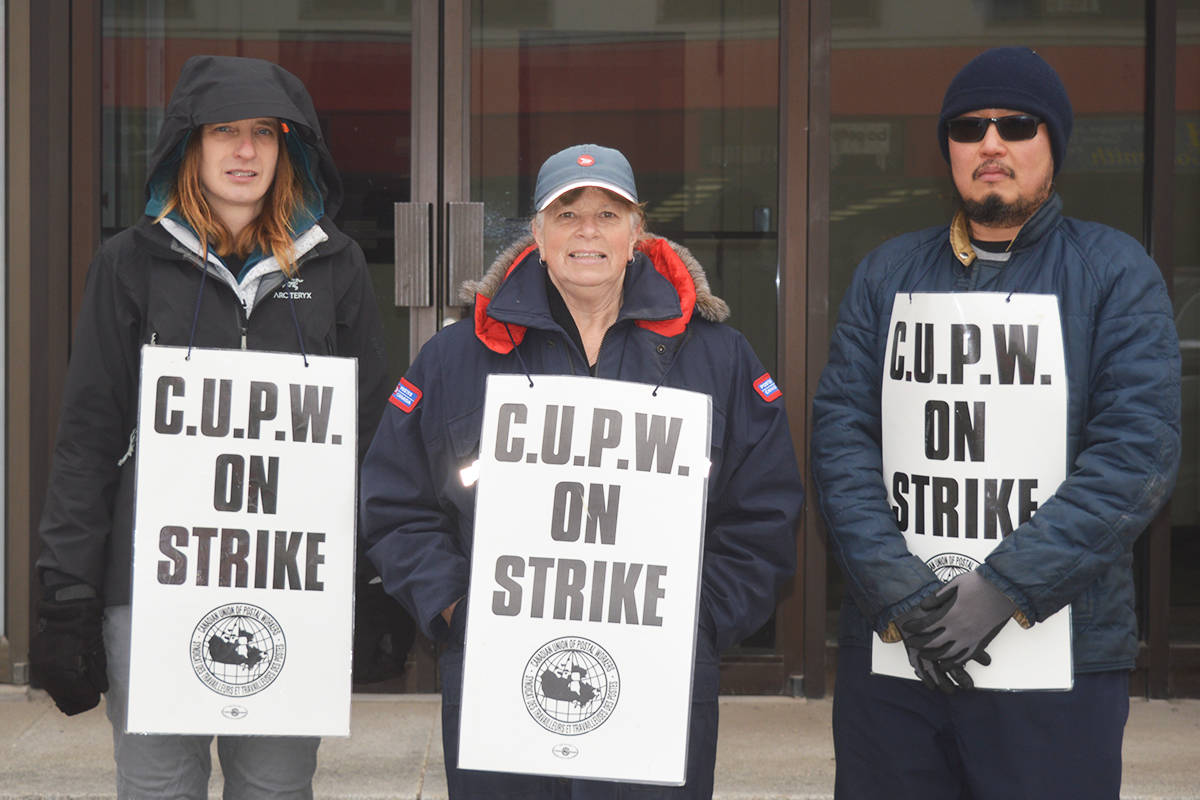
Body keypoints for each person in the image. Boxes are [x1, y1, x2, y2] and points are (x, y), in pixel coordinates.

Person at [360, 143, 803, 799]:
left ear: (636, 235)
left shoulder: (720, 356)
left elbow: (764, 513)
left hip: (661, 681)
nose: (588, 231)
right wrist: (459, 609)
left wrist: (697, 618)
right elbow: (397, 506)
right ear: (537, 236)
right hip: (498, 683)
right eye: (567, 214)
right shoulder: (457, 357)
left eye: (608, 213)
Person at [811, 46, 1180, 799]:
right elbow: (841, 438)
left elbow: (1136, 452)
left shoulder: (1115, 272)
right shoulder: (885, 273)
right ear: (946, 148)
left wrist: (1005, 587)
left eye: (1017, 124)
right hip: (897, 659)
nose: (991, 143)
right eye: (969, 126)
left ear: (1054, 146)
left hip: (1057, 649)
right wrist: (901, 595)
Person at [30, 54, 389, 798]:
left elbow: (370, 438)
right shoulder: (128, 265)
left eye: (265, 132)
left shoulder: (338, 267)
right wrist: (66, 595)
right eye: (225, 131)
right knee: (158, 786)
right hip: (151, 589)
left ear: (290, 149)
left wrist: (378, 577)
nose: (246, 151)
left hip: (292, 592)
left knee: (275, 789)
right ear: (188, 145)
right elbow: (88, 438)